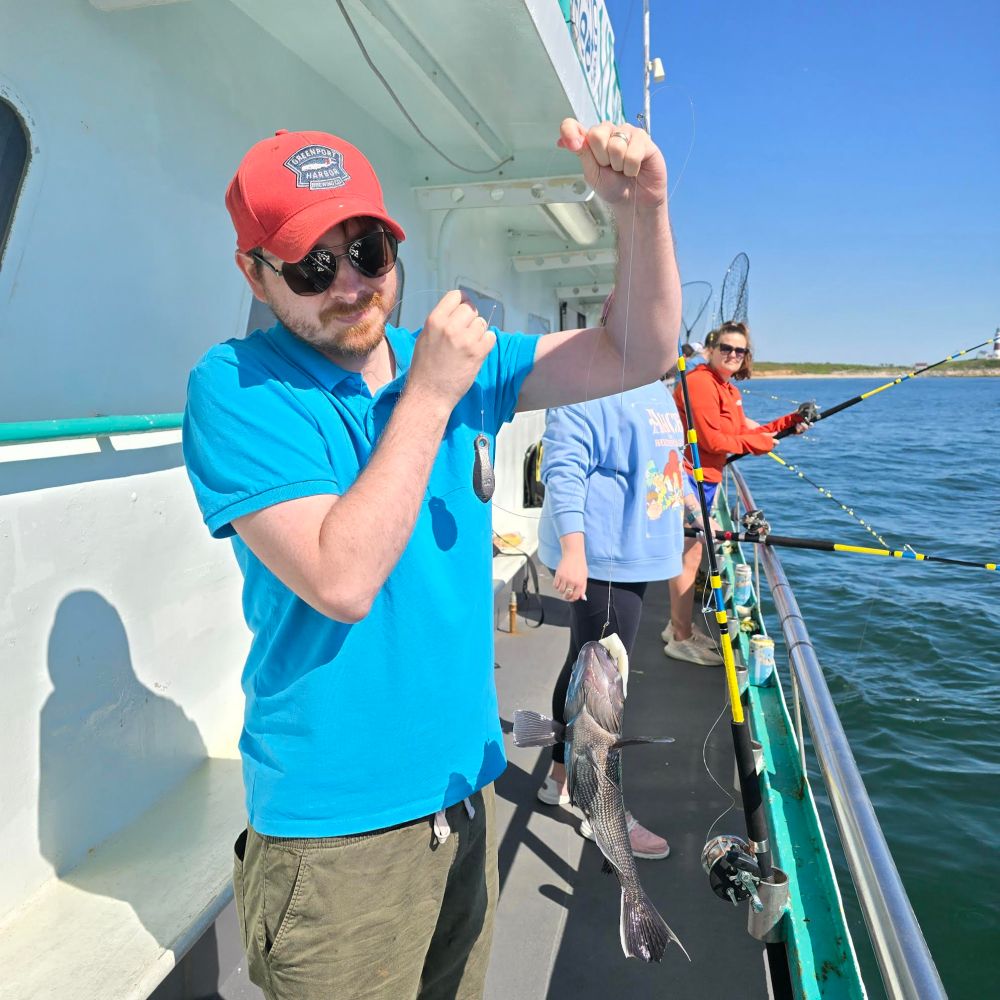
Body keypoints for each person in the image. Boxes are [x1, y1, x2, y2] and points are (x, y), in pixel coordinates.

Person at [182, 120, 679, 1000]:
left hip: (464, 791)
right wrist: (433, 393)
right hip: (335, 843)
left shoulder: (448, 363)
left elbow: (637, 351)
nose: (350, 286)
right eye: (311, 265)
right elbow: (342, 579)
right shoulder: (235, 387)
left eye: (366, 250)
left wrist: (641, 213)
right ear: (253, 272)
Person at [535, 371, 688, 860]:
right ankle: (599, 809)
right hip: (604, 559)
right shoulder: (588, 382)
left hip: (637, 552)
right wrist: (574, 552)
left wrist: (680, 488)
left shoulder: (656, 385)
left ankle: (560, 777)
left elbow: (654, 454)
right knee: (604, 689)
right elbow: (563, 467)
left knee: (584, 670)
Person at [663, 321, 810, 665]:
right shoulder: (699, 382)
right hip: (688, 476)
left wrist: (790, 422)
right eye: (725, 348)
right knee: (689, 556)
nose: (732, 354)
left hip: (709, 478)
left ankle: (677, 626)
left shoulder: (727, 389)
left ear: (746, 357)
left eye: (739, 350)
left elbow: (748, 429)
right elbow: (711, 440)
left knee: (693, 553)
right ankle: (679, 637)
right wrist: (757, 444)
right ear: (711, 350)